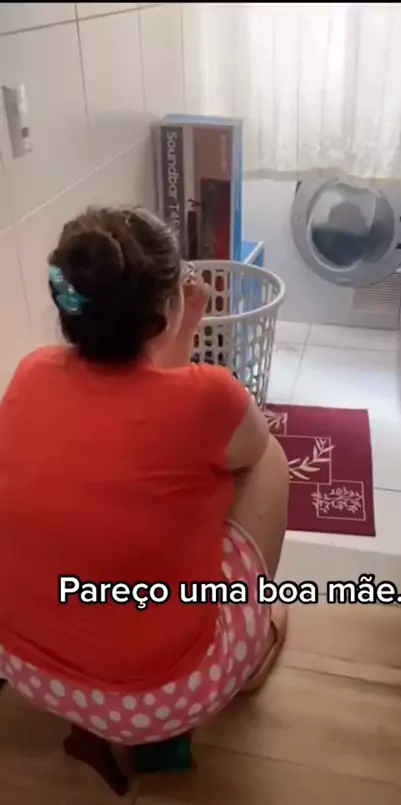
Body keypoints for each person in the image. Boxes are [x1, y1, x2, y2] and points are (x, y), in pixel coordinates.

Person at [0, 206, 288, 745]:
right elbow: (239, 446)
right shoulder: (211, 395)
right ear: (167, 306)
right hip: (159, 699)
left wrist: (175, 328)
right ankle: (253, 640)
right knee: (267, 457)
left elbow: (142, 403)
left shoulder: (30, 371)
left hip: (24, 669)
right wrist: (183, 336)